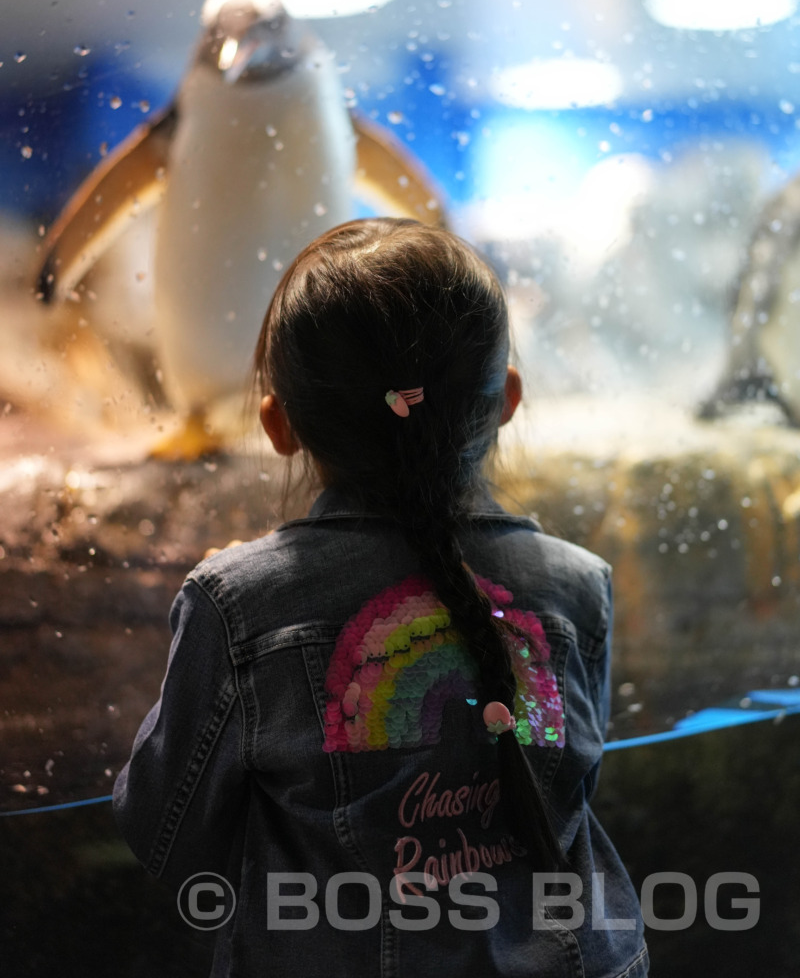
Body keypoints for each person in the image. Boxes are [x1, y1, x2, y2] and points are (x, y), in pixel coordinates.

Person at [113, 217, 648, 977]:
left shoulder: (238, 605)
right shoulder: (576, 585)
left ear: (278, 424)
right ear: (507, 401)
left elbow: (167, 832)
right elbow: (568, 789)